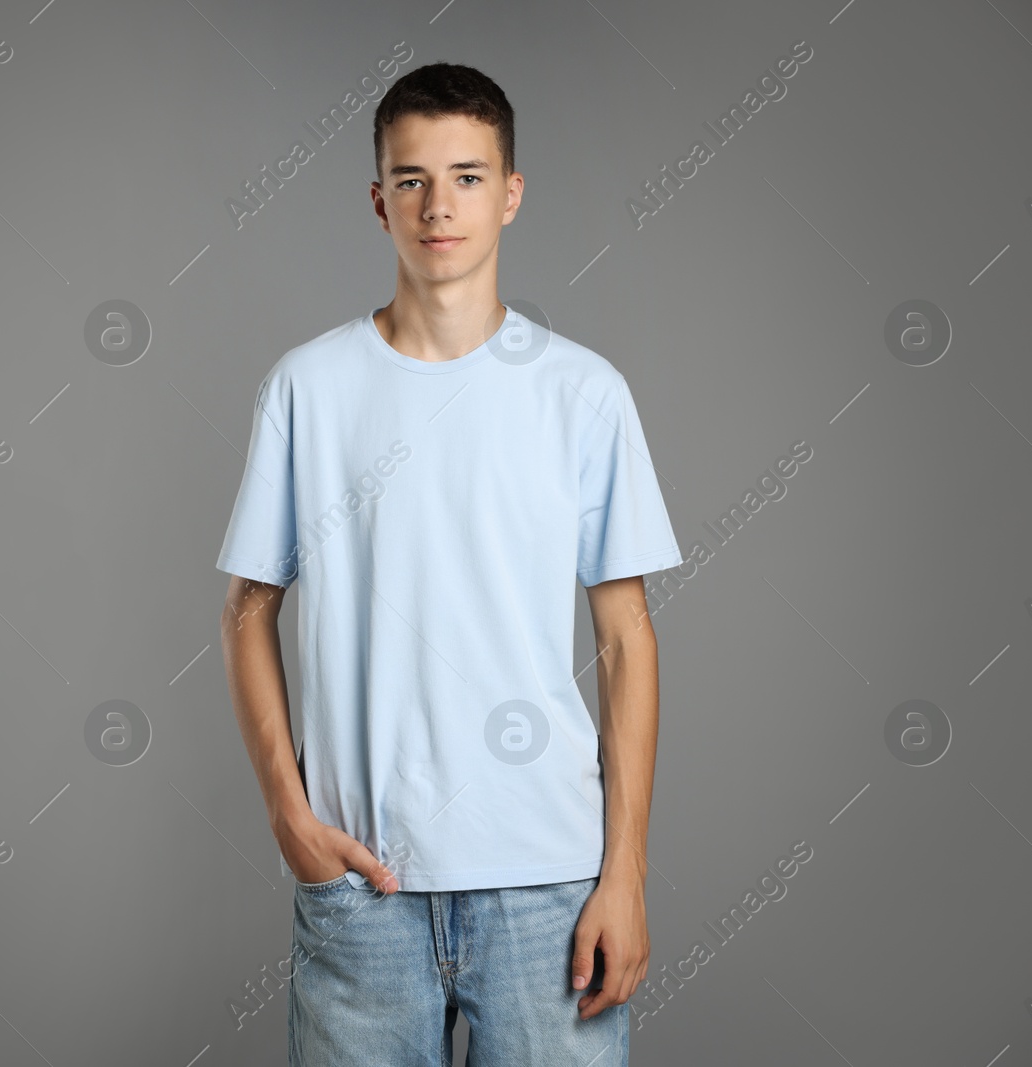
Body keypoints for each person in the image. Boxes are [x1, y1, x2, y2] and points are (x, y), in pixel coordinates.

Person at [216, 60, 684, 1066]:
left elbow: (625, 639)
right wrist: (288, 815)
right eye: (414, 178)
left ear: (510, 195)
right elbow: (247, 607)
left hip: (550, 889)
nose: (440, 206)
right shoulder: (308, 387)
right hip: (362, 890)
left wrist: (624, 876)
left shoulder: (582, 395)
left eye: (468, 176)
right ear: (378, 198)